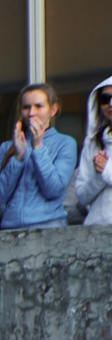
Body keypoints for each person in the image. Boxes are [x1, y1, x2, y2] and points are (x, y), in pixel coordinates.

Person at [0, 83, 75, 232]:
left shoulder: (65, 143)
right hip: (11, 229)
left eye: (38, 106)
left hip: (48, 227)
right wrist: (18, 159)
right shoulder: (8, 147)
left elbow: (54, 190)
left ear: (53, 109)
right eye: (26, 107)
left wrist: (38, 148)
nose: (31, 113)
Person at [71, 76, 112, 227]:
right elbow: (82, 196)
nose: (110, 103)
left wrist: (106, 169)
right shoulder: (93, 144)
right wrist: (100, 177)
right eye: (105, 99)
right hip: (98, 225)